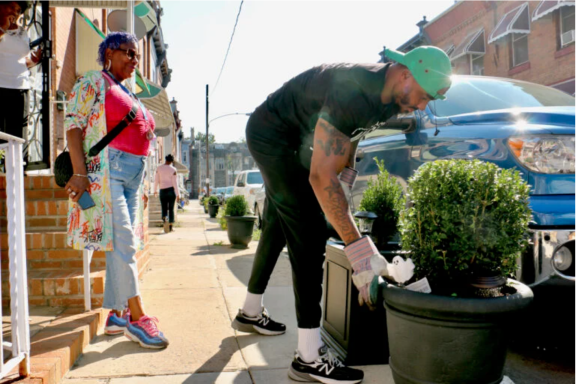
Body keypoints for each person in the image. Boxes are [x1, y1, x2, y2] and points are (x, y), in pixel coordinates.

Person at [232, 46, 452, 383]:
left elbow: (349, 138)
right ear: (407, 74)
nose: (422, 106)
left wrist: (345, 184)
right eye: (424, 96)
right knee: (307, 232)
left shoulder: (387, 97)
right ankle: (307, 356)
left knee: (280, 221)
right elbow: (321, 176)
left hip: (298, 140)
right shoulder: (356, 90)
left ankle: (249, 311)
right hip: (272, 136)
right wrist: (359, 250)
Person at [64, 31, 168, 349]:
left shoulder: (127, 91)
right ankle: (137, 318)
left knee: (122, 243)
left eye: (137, 55)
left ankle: (117, 314)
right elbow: (73, 126)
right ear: (110, 52)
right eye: (130, 53)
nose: (135, 60)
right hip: (108, 169)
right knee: (123, 240)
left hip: (133, 174)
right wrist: (79, 174)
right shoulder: (94, 82)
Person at [0, 1, 41, 160]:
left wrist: (34, 60)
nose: (15, 12)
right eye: (12, 7)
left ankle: (18, 167)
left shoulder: (23, 32)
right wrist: (3, 27)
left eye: (18, 10)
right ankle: (2, 169)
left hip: (20, 86)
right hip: (1, 84)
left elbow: (22, 60)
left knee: (17, 133)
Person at [154, 154, 179, 231]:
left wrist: (155, 190)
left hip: (162, 190)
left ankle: (165, 218)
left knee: (164, 207)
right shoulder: (173, 170)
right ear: (171, 161)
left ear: (165, 159)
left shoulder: (159, 168)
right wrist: (178, 194)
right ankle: (170, 226)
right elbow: (175, 183)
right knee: (171, 208)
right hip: (171, 190)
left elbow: (156, 180)